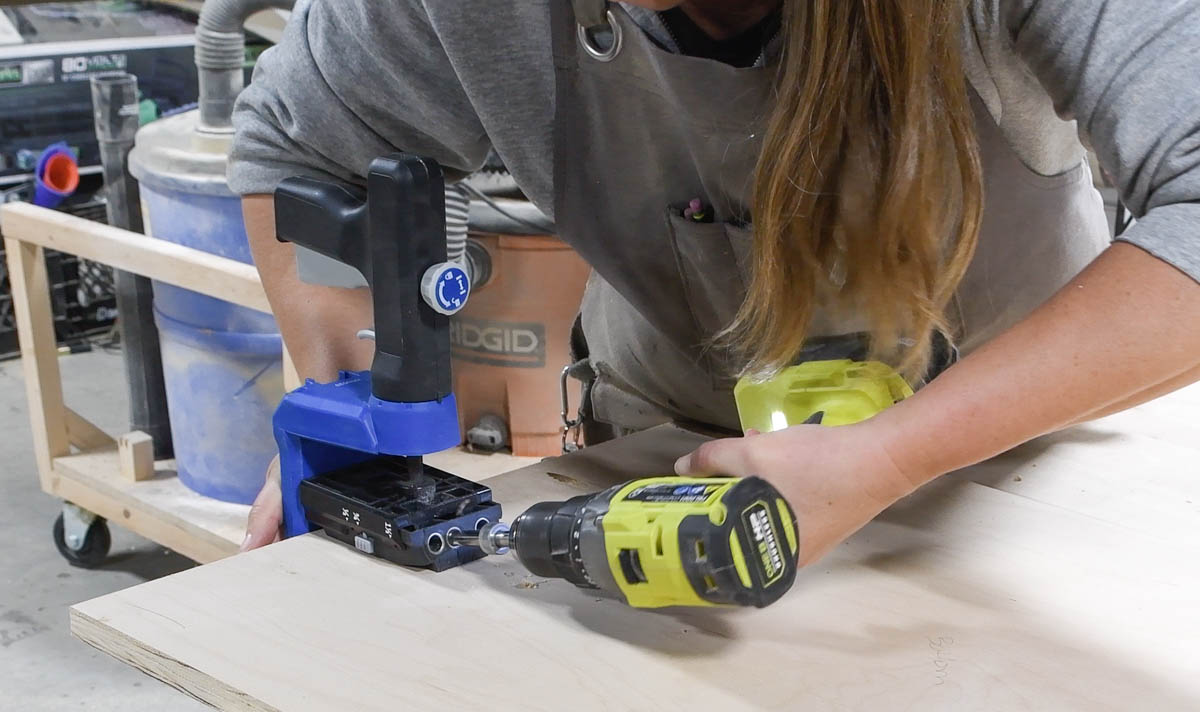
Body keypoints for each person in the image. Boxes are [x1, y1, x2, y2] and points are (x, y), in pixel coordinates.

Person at [231, 0, 1200, 564]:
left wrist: (896, 455)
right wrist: (342, 409)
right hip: (671, 450)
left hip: (1022, 457)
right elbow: (300, 147)